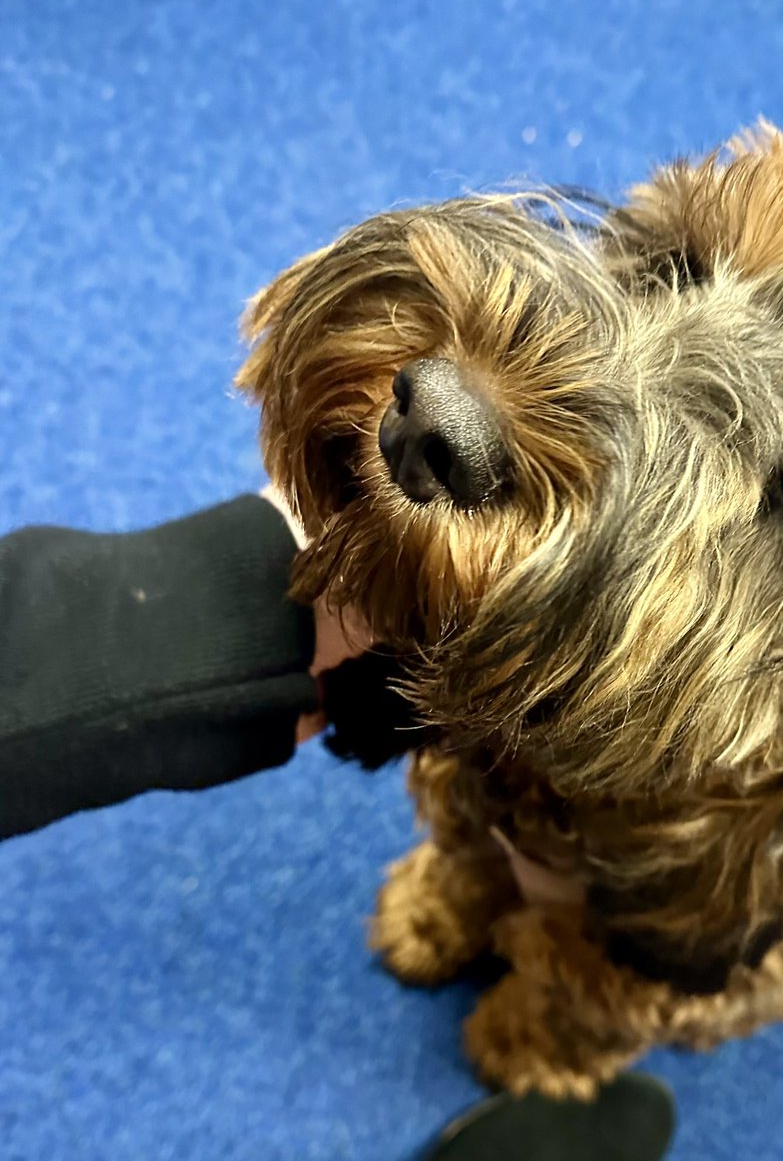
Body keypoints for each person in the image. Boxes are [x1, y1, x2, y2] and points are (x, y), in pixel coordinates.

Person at [0, 490, 674, 1160]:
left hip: (682, 837)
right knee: (488, 775)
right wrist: (236, 601)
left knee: (660, 944)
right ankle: (469, 897)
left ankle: (554, 1034)